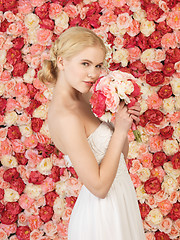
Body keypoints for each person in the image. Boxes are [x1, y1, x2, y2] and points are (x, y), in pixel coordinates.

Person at [38, 26, 146, 240]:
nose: (93, 74)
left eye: (97, 65)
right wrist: (120, 130)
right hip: (101, 217)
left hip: (121, 202)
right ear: (61, 61)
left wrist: (121, 121)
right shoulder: (65, 116)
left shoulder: (85, 98)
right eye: (85, 64)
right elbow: (99, 187)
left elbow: (120, 160)